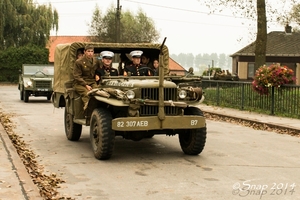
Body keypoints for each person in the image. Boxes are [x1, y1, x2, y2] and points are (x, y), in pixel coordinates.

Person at [73, 45, 100, 110]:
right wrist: (85, 85)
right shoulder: (79, 62)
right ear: (85, 52)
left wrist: (98, 76)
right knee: (86, 94)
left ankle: (98, 109)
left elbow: (98, 71)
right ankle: (88, 110)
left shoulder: (96, 61)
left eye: (92, 51)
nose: (90, 53)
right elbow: (77, 76)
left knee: (98, 93)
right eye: (88, 51)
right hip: (80, 83)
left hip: (92, 81)